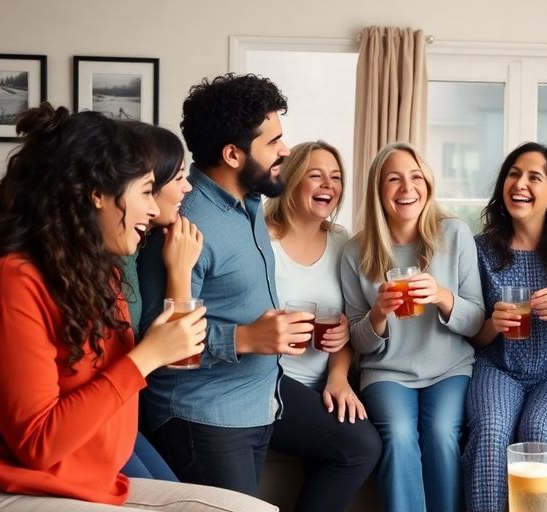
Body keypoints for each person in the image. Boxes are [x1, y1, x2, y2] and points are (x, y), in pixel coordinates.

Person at [0, 103, 276, 511]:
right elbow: (39, 443)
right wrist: (146, 357)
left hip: (88, 481)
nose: (152, 208)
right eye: (144, 192)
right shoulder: (10, 283)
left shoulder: (100, 275)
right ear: (97, 196)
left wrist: (159, 344)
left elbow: (164, 360)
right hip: (7, 483)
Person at [135, 73, 309, 496]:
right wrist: (245, 337)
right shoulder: (183, 222)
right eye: (273, 142)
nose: (286, 150)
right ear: (233, 154)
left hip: (264, 389)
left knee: (357, 446)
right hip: (204, 410)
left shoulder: (251, 202)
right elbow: (153, 338)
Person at [340, 142, 484, 512]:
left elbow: (476, 322)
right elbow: (359, 343)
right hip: (387, 372)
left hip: (448, 368)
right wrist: (377, 314)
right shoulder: (356, 252)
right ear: (378, 190)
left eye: (415, 177)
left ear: (428, 184)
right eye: (394, 179)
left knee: (440, 435)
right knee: (400, 435)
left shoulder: (454, 234)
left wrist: (440, 295)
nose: (407, 188)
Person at [462, 143, 547, 512]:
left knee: (539, 430)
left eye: (533, 177)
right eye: (513, 173)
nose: (519, 183)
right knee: (491, 432)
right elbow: (471, 339)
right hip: (497, 368)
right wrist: (493, 324)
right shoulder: (480, 249)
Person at [264, 140, 382, 512]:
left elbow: (347, 324)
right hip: (272, 381)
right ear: (291, 179)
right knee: (362, 446)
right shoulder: (261, 238)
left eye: (336, 177)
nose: (328, 185)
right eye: (316, 176)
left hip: (324, 382)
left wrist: (339, 377)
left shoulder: (341, 240)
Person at [120, 123, 202, 482]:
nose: (188, 187)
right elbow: (180, 355)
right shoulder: (118, 250)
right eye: (179, 177)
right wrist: (181, 271)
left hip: (124, 413)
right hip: (112, 410)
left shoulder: (140, 243)